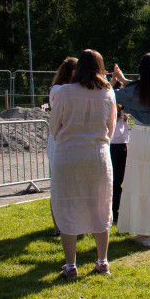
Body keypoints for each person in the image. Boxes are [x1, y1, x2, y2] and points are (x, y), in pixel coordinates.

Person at [50, 50, 116, 279]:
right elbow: (111, 126)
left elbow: (54, 127)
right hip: (98, 155)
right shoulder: (108, 93)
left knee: (67, 205)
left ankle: (70, 266)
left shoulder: (64, 92)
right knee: (100, 206)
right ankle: (102, 260)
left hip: (68, 155)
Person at [113, 54, 150, 247]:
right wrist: (123, 80)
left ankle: (145, 234)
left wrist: (111, 82)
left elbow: (113, 95)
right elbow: (137, 87)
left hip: (142, 136)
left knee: (141, 184)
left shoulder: (136, 89)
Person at [48, 57, 78, 236]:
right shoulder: (59, 90)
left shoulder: (69, 89)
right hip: (59, 140)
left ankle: (72, 223)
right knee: (58, 184)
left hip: (70, 139)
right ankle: (58, 226)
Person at [110, 96, 129, 224]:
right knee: (117, 182)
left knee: (114, 182)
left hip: (115, 146)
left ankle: (114, 210)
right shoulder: (121, 113)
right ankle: (115, 210)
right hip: (120, 146)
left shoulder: (120, 113)